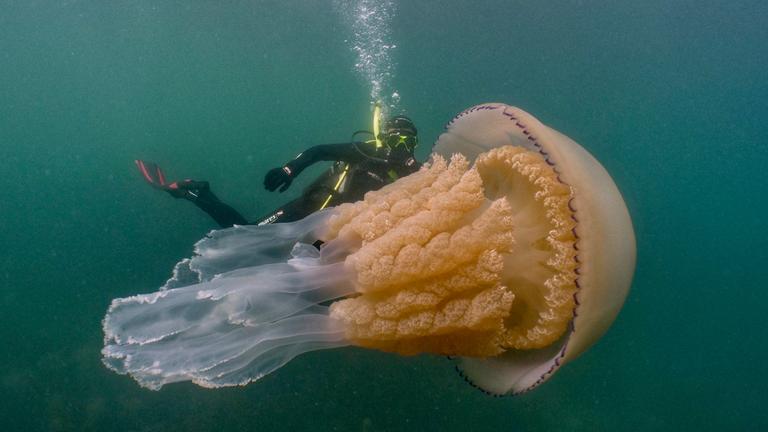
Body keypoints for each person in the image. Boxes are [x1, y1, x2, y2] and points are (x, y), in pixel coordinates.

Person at [136, 114, 422, 228]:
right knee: (246, 235)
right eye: (395, 138)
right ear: (384, 138)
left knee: (313, 265)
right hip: (310, 208)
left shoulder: (416, 173)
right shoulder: (368, 151)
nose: (400, 146)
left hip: (336, 233)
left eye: (407, 141)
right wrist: (290, 169)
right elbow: (319, 151)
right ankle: (196, 192)